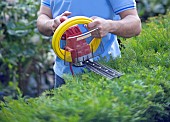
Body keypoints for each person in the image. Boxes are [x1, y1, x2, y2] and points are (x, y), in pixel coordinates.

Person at [37, 0, 141, 88]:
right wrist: (51, 24)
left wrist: (109, 26)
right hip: (63, 74)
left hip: (105, 70)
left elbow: (135, 24)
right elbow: (43, 17)